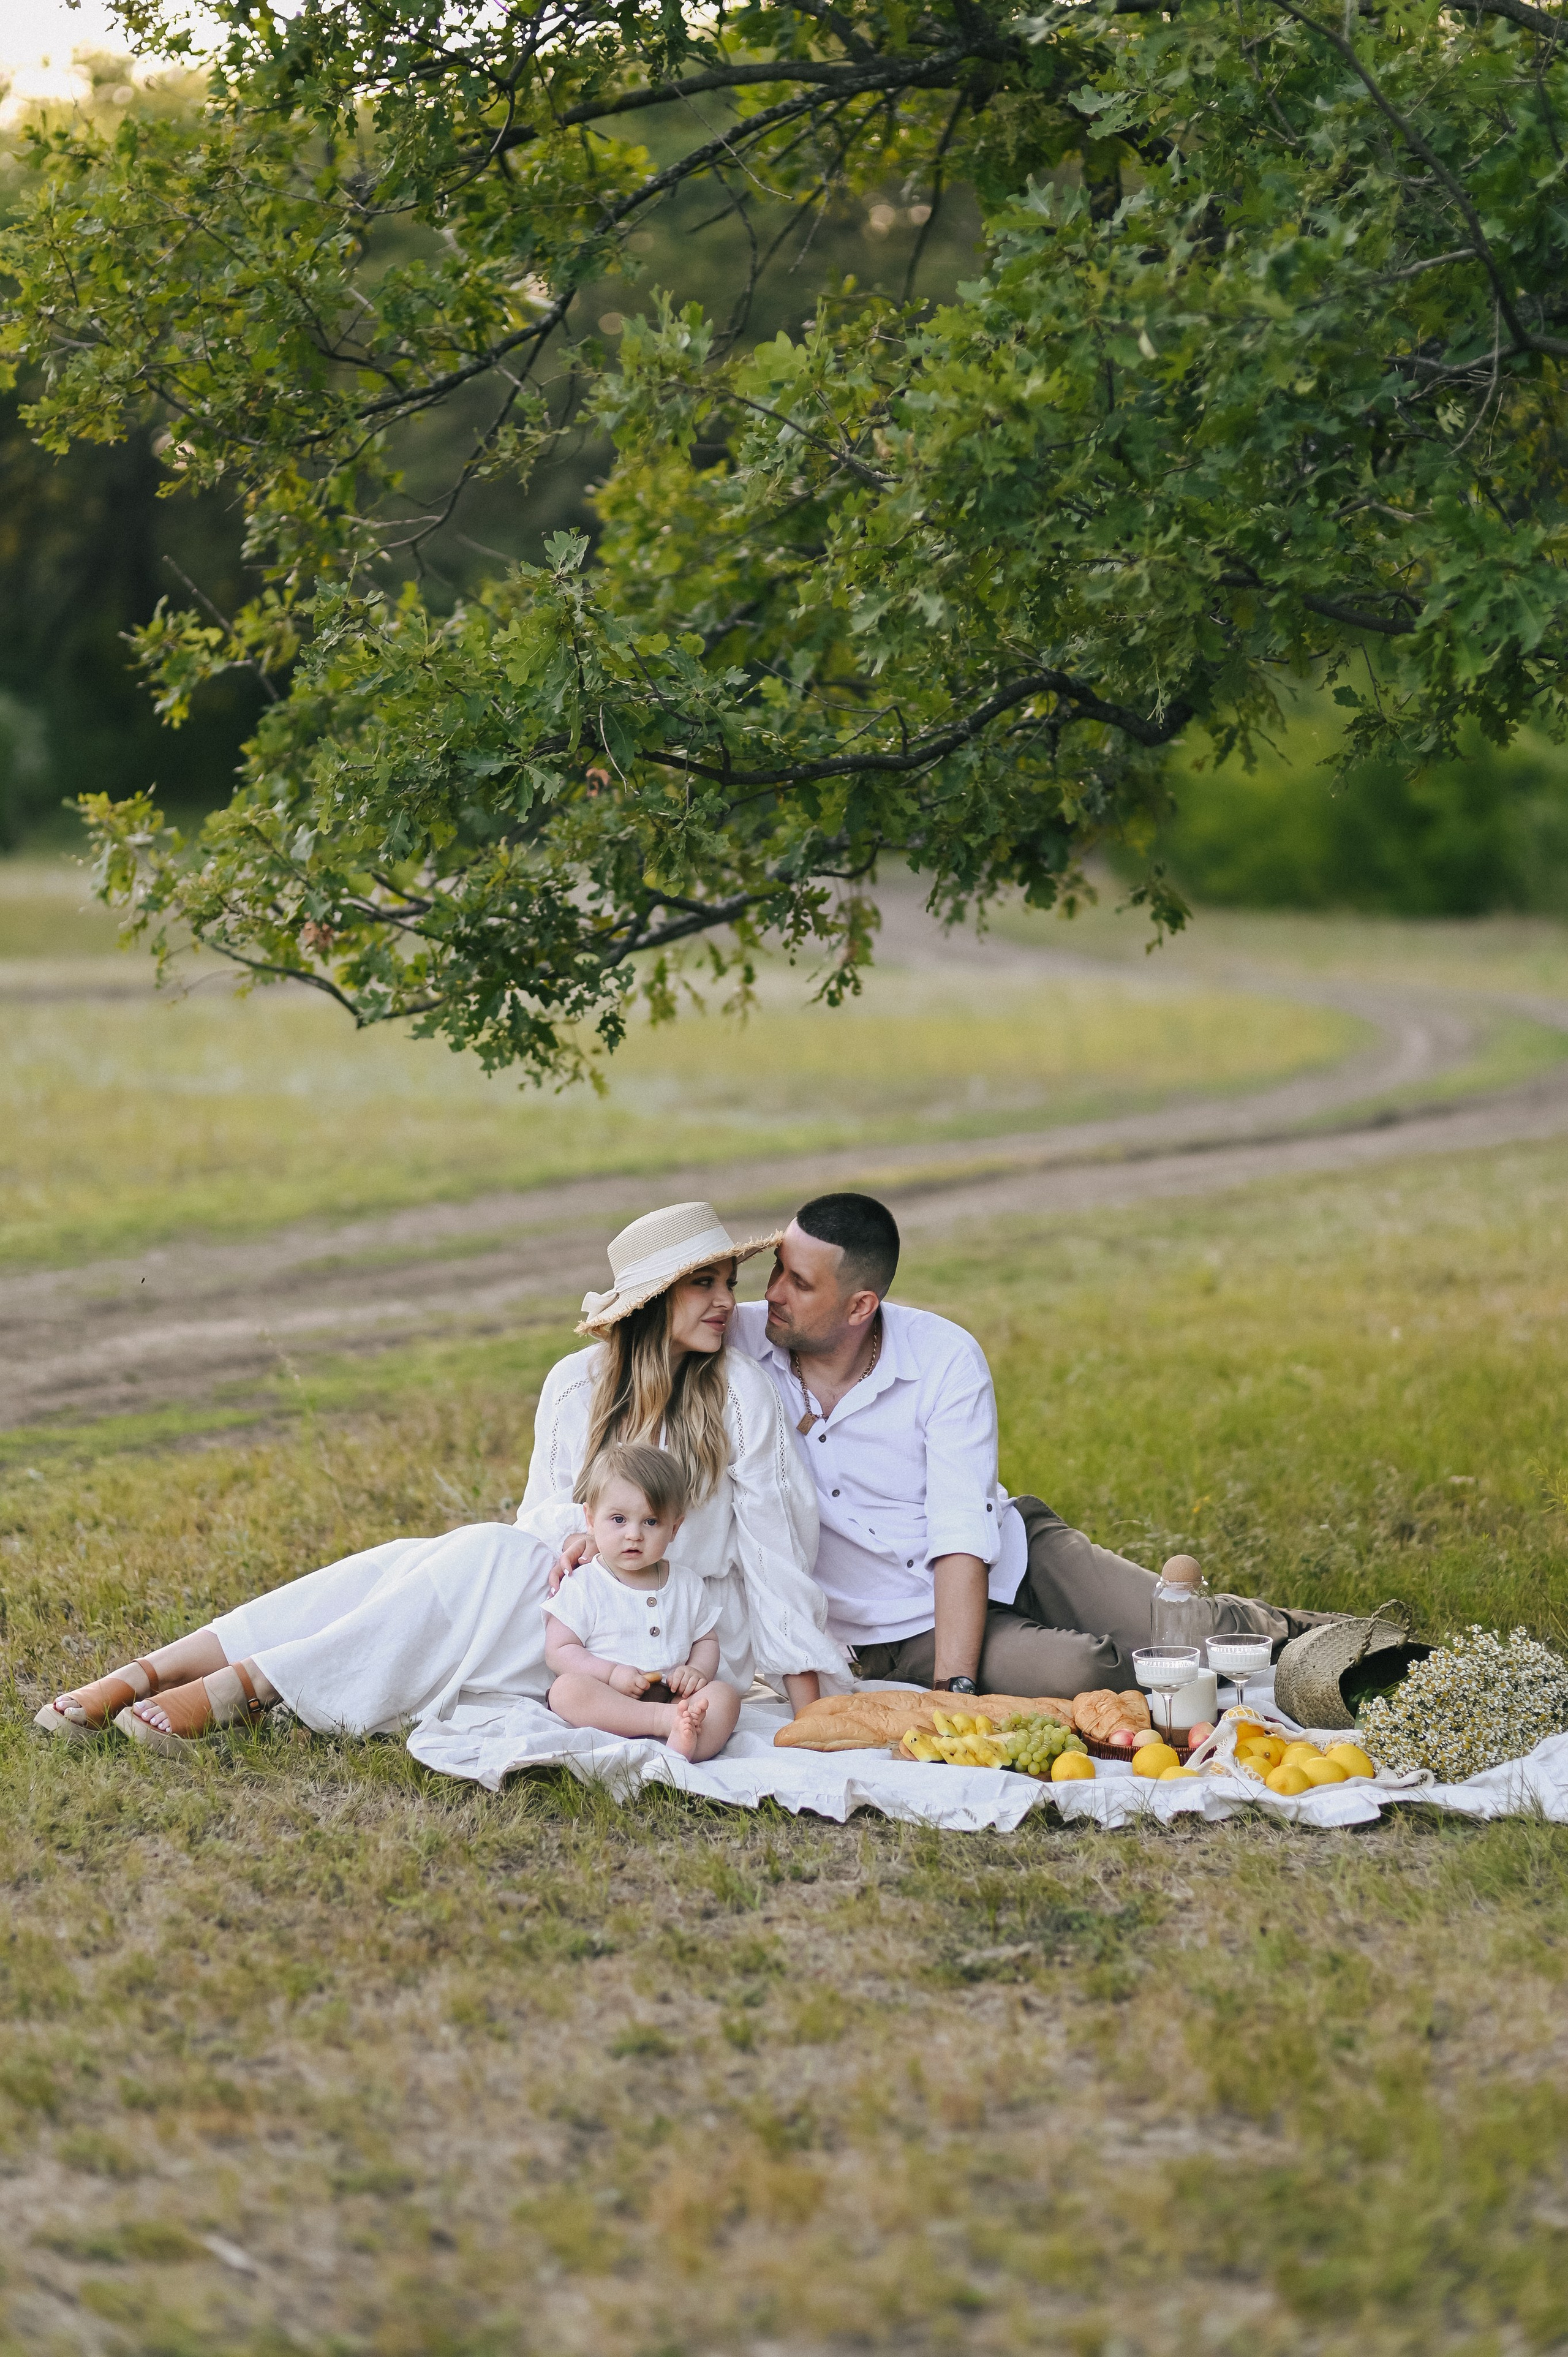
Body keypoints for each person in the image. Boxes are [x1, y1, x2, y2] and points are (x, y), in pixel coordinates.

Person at [34, 1201, 844, 1751]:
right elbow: (545, 1516)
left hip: (673, 1623)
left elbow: (776, 1549)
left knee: (474, 1558)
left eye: (724, 1283)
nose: (721, 1302)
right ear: (651, 1299)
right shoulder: (575, 1383)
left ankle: (255, 1682)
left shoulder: (736, 1393)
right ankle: (167, 1667)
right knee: (419, 1562)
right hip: (570, 1597)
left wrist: (808, 1695)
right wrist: (570, 1546)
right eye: (701, 1283)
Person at [728, 1191, 1340, 1698]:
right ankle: (1068, 1650)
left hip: (1017, 1554)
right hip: (902, 1627)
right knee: (1087, 1672)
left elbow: (960, 1527)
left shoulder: (942, 1356)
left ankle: (1310, 1633)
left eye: (799, 1281)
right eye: (775, 1269)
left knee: (1196, 1632)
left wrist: (957, 1685)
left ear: (861, 1304)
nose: (773, 1291)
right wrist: (951, 1677)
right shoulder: (738, 1344)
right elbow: (651, 1328)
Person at [544, 1441, 742, 1761]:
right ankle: (660, 1724)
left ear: (675, 1528)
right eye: (619, 1520)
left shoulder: (687, 1584)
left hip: (674, 1697)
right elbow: (559, 1650)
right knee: (566, 1691)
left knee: (725, 1696)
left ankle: (686, 1748)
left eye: (651, 1522)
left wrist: (696, 1670)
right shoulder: (585, 1584)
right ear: (591, 1521)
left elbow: (706, 1638)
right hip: (610, 1697)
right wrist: (610, 1674)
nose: (634, 1534)